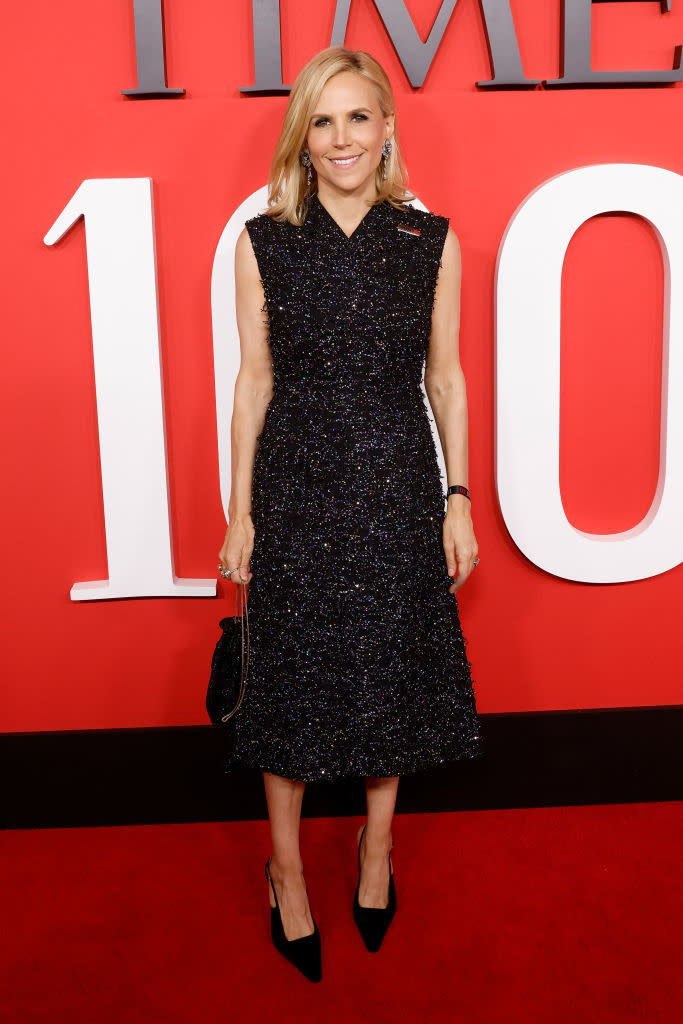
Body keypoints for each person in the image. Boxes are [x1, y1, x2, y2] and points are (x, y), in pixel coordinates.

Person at [217, 45, 484, 982]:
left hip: (396, 482)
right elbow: (253, 383)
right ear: (304, 134)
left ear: (387, 129)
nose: (342, 139)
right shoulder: (265, 241)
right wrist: (239, 510)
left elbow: (444, 380)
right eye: (322, 121)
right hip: (294, 483)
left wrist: (457, 499)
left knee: (390, 669)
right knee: (288, 679)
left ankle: (376, 852)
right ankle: (286, 869)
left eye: (358, 118)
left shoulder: (427, 241)